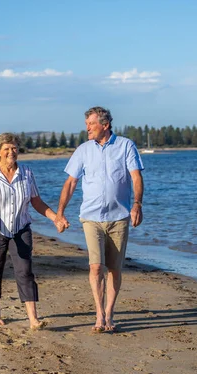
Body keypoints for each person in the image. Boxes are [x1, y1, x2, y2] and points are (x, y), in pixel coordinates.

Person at [55, 106, 144, 333]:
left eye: (91, 124)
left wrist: (137, 205)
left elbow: (136, 177)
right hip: (91, 218)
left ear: (105, 125)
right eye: (86, 125)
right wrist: (60, 212)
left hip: (119, 217)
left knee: (114, 269)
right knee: (96, 267)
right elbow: (71, 183)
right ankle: (99, 314)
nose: (87, 129)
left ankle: (110, 314)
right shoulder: (83, 150)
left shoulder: (125, 146)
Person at [0, 133, 57, 330]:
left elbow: (36, 202)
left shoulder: (27, 173)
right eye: (7, 149)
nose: (11, 152)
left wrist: (56, 218)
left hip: (20, 228)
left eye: (14, 148)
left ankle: (33, 319)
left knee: (25, 271)